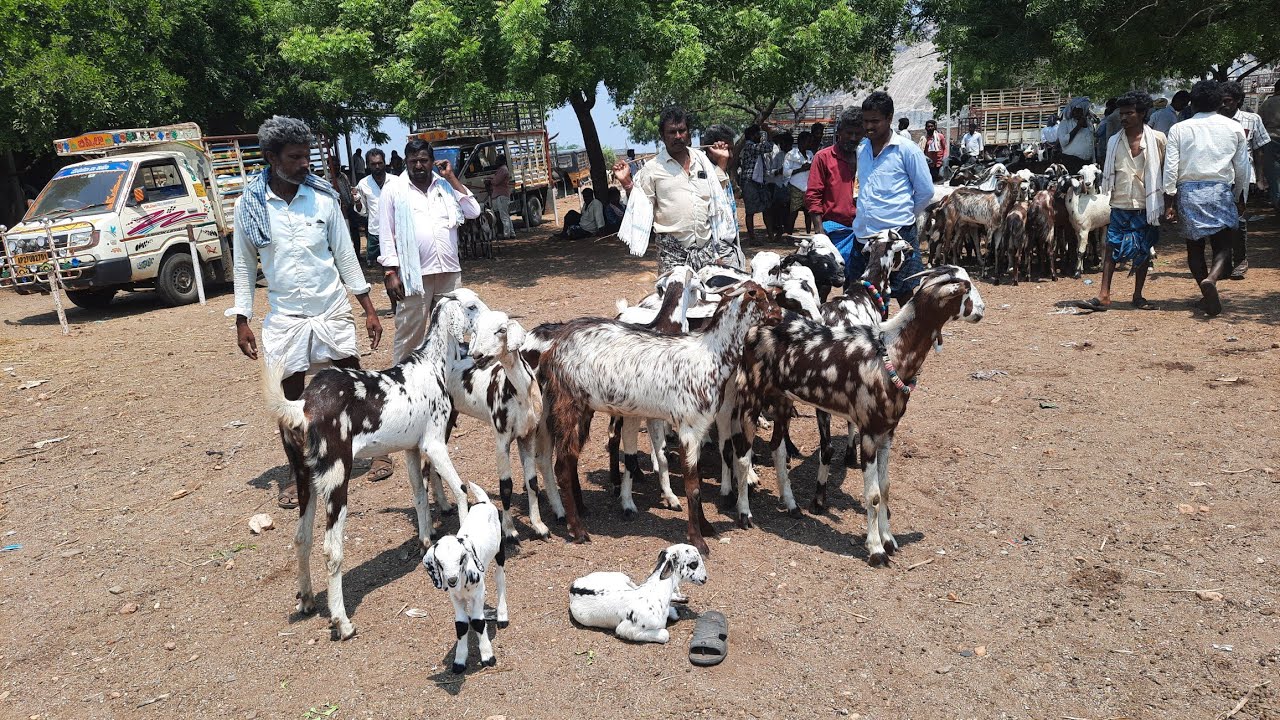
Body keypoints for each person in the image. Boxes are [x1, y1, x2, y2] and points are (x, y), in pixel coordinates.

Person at [226, 116, 385, 504]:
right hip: (286, 318)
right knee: (289, 401)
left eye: (306, 156)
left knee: (355, 388)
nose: (304, 164)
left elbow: (346, 255)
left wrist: (368, 308)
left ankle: (374, 454)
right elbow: (244, 266)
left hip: (330, 309)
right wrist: (241, 320)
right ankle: (298, 474)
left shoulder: (324, 198)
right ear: (270, 158)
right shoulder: (250, 208)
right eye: (295, 157)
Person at [379, 138, 482, 362]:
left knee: (450, 332)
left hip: (448, 273)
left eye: (423, 160)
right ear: (405, 162)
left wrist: (451, 177)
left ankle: (446, 383)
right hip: (414, 276)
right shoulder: (394, 189)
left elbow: (473, 210)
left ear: (432, 161)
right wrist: (390, 272)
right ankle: (404, 387)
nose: (418, 166)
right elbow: (386, 232)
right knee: (410, 337)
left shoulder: (444, 185)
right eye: (413, 161)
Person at [613, 105, 739, 272]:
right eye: (672, 132)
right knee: (674, 298)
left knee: (710, 298)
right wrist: (627, 183)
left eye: (682, 131)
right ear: (662, 136)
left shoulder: (702, 161)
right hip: (672, 255)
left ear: (688, 132)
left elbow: (717, 195)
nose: (678, 136)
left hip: (706, 252)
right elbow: (641, 206)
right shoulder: (652, 169)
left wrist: (722, 161)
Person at [1163, 80, 1249, 317]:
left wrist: (1169, 201)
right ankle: (1211, 279)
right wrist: (1240, 194)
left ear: (1192, 102)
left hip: (1189, 192)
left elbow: (1171, 167)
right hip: (1220, 190)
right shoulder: (1233, 128)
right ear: (1220, 102)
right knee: (1223, 244)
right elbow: (1242, 168)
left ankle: (1205, 289)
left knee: (1194, 246)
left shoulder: (1179, 129)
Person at [1084, 91, 1165, 311]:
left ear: (1142, 114)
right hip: (1119, 201)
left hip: (1146, 204)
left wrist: (1169, 203)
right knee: (1111, 247)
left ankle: (1138, 295)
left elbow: (1165, 171)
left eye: (1129, 113)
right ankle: (1103, 295)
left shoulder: (1157, 139)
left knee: (1143, 249)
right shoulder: (1113, 141)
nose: (1123, 118)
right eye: (1122, 113)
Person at [850, 91, 934, 303]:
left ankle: (916, 336)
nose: (869, 127)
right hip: (864, 236)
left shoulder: (907, 151)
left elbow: (926, 191)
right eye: (866, 121)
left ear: (889, 118)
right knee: (862, 295)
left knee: (904, 293)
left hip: (898, 235)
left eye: (875, 121)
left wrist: (904, 216)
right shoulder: (862, 149)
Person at [1219, 80, 1270, 279]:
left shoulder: (1252, 119)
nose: (1223, 105)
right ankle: (1222, 261)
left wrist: (1260, 178)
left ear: (1238, 101)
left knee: (1238, 219)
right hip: (1220, 176)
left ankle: (1240, 260)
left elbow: (1259, 150)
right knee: (1221, 221)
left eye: (1228, 101)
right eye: (1220, 101)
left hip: (1243, 176)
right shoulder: (1215, 121)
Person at [805, 107, 862, 264]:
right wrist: (820, 232)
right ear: (839, 132)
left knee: (857, 283)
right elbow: (813, 195)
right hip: (834, 230)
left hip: (864, 230)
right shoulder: (823, 157)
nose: (853, 138)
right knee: (828, 280)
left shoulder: (867, 157)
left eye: (857, 134)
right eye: (849, 133)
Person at [738, 124, 775, 243]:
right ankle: (752, 238)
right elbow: (768, 147)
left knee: (767, 208)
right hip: (750, 182)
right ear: (752, 135)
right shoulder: (749, 146)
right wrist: (769, 133)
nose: (759, 136)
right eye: (758, 134)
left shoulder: (753, 146)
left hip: (758, 182)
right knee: (750, 211)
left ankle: (770, 235)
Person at [354, 149, 390, 267]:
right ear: (368, 165)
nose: (377, 166)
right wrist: (357, 200)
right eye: (373, 164)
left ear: (385, 162)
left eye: (380, 163)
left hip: (394, 231)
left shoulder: (395, 181)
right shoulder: (363, 184)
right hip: (375, 231)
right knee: (375, 266)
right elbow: (362, 211)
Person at [784, 130, 815, 232]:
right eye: (808, 141)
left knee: (808, 213)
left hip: (808, 186)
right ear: (801, 141)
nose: (810, 143)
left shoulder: (810, 153)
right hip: (795, 187)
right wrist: (801, 169)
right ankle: (789, 234)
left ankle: (808, 233)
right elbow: (785, 172)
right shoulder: (791, 154)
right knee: (793, 212)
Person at [765, 132, 792, 242]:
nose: (786, 146)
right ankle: (779, 230)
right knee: (778, 209)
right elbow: (770, 172)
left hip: (790, 186)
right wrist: (778, 171)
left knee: (789, 210)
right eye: (784, 144)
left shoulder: (794, 155)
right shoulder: (778, 156)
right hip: (779, 186)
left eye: (788, 144)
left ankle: (787, 231)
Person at [1057, 98, 1096, 172]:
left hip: (1087, 163)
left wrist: (1093, 160)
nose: (1077, 112)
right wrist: (1078, 127)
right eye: (1075, 110)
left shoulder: (1089, 124)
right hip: (1071, 161)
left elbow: (1091, 143)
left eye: (1080, 110)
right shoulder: (1065, 123)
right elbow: (1063, 142)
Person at [1260, 82, 1280, 209]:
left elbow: (1259, 124)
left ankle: (1277, 200)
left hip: (1271, 140)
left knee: (1274, 175)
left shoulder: (1266, 104)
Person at [489, 154, 515, 240]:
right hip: (502, 194)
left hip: (501, 195)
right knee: (505, 215)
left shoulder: (503, 170)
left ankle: (506, 234)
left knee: (503, 216)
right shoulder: (502, 169)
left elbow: (496, 181)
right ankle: (511, 233)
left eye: (497, 160)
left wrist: (490, 181)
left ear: (501, 161)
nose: (496, 162)